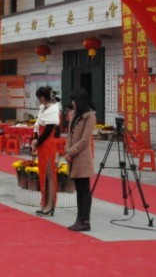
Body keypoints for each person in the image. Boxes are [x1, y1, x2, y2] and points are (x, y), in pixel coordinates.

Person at [64, 88, 96, 231]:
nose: (72, 103)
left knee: (84, 189)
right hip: (73, 158)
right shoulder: (75, 115)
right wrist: (67, 151)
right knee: (79, 189)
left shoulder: (90, 117)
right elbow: (69, 135)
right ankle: (79, 217)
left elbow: (84, 140)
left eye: (74, 100)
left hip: (82, 158)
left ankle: (85, 220)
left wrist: (70, 152)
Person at [31, 86, 61, 216]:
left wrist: (37, 142)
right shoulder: (43, 108)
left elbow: (49, 131)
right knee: (44, 173)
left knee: (49, 174)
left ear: (42, 98)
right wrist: (35, 141)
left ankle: (50, 204)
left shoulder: (53, 110)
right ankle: (45, 203)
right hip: (43, 144)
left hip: (48, 144)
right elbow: (38, 128)